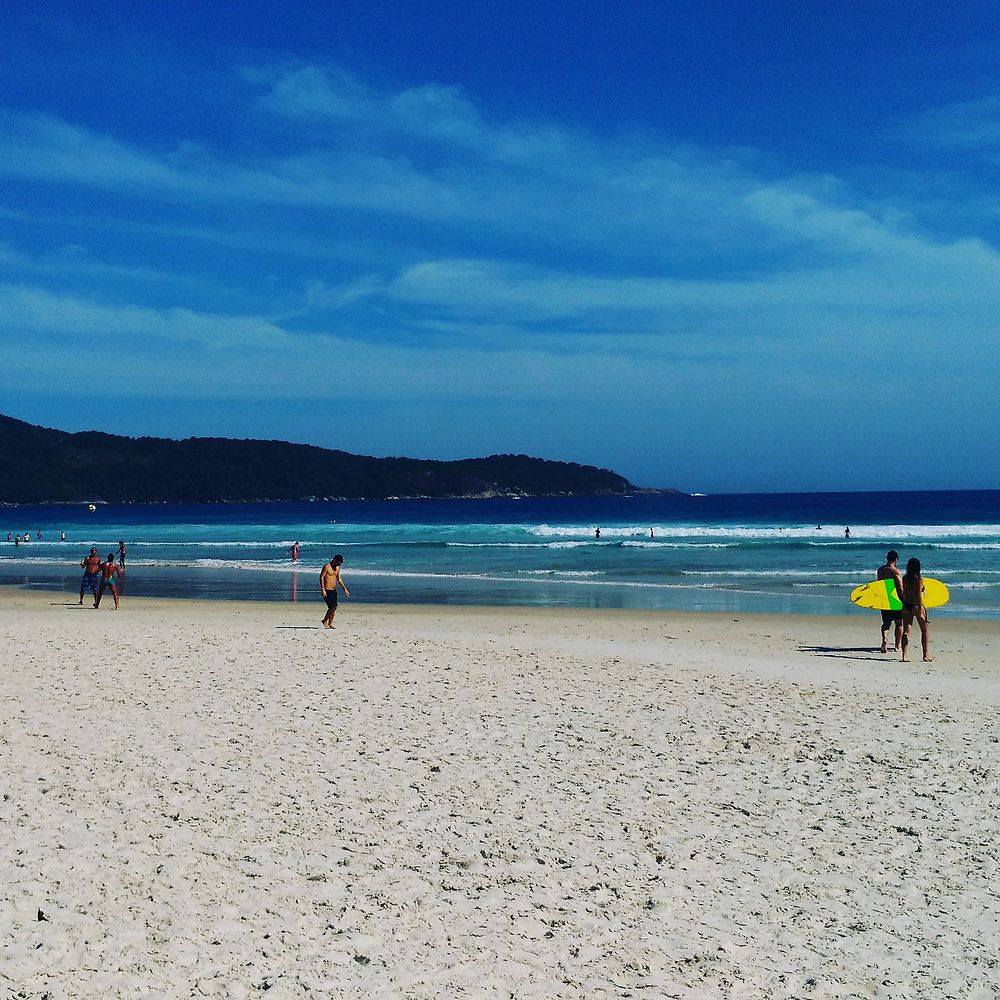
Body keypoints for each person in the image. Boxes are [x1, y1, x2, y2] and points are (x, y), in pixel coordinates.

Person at [900, 557, 932, 663]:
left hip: (906, 605)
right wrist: (920, 610)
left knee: (906, 631)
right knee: (924, 630)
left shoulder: (904, 578)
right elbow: (918, 595)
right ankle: (925, 655)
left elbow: (904, 592)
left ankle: (904, 655)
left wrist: (904, 602)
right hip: (916, 606)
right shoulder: (918, 579)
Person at [876, 550, 904, 654]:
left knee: (886, 622)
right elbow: (900, 587)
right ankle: (897, 646)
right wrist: (904, 599)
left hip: (884, 598)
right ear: (896, 559)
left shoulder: (880, 570)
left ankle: (884, 639)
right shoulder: (895, 571)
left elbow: (879, 585)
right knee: (899, 623)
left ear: (887, 558)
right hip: (895, 598)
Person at [319, 554, 349, 628]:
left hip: (333, 590)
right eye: (338, 563)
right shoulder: (327, 567)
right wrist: (322, 589)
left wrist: (344, 589)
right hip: (327, 589)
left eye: (340, 564)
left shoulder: (337, 568)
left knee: (333, 608)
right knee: (334, 606)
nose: (338, 565)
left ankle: (330, 623)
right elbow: (321, 577)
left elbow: (339, 579)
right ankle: (324, 620)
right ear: (334, 560)